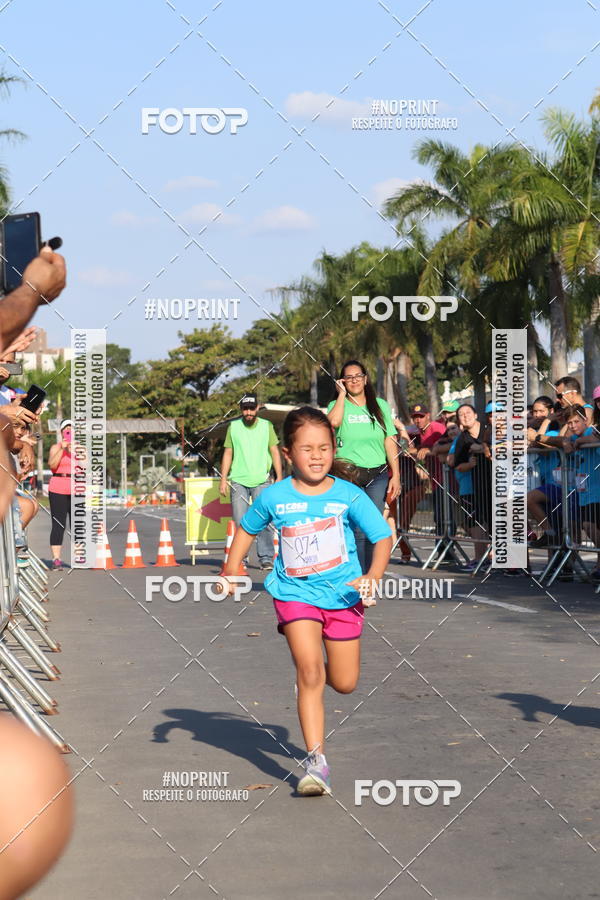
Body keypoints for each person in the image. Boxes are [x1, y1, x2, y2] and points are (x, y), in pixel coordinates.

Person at [223, 407, 392, 795]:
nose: (316, 456)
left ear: (334, 450)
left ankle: (314, 677)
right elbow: (247, 530)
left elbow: (381, 537)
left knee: (345, 683)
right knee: (311, 671)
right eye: (306, 449)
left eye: (324, 448)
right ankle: (316, 762)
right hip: (294, 594)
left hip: (345, 596)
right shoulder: (274, 497)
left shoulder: (348, 495)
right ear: (287, 453)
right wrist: (232, 566)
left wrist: (373, 576)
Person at [327, 360, 399, 572]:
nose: (354, 380)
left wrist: (396, 476)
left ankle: (369, 577)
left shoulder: (380, 405)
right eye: (348, 377)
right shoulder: (336, 405)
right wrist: (341, 395)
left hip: (378, 474)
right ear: (342, 381)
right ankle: (356, 576)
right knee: (355, 528)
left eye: (358, 376)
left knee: (371, 527)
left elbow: (390, 441)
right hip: (349, 474)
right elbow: (332, 423)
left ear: (366, 379)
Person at [220, 393, 282, 570]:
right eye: (245, 409)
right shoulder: (233, 427)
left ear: (257, 408)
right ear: (241, 410)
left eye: (251, 408)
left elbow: (274, 451)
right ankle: (242, 557)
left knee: (264, 520)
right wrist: (223, 479)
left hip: (262, 479)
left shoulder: (266, 426)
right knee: (240, 521)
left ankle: (266, 557)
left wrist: (279, 476)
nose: (248, 412)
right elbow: (228, 453)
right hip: (238, 479)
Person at [47, 420, 73, 569]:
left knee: (78, 525)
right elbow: (52, 465)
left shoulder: (80, 448)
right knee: (59, 524)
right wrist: (62, 449)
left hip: (77, 488)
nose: (69, 431)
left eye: (71, 429)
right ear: (62, 432)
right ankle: (56, 559)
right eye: (66, 429)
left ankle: (79, 557)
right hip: (58, 487)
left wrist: (73, 450)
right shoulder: (55, 448)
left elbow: (85, 466)